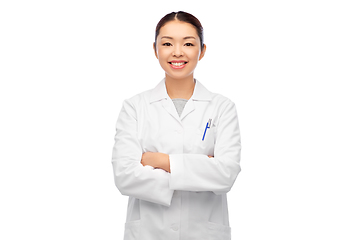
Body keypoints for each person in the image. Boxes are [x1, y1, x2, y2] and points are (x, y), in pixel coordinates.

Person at [111, 11, 241, 240]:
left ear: (202, 51)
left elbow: (226, 175)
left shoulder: (222, 107)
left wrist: (160, 161)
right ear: (155, 50)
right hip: (149, 233)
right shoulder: (135, 107)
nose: (177, 52)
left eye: (188, 43)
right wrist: (201, 168)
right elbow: (125, 177)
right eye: (168, 43)